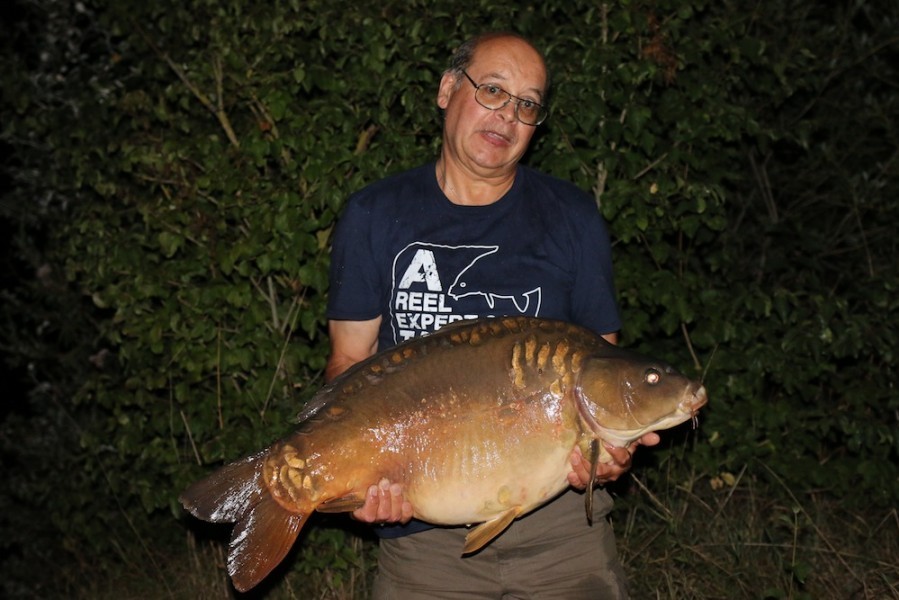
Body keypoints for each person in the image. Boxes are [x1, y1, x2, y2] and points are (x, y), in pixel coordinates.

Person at [325, 31, 658, 600]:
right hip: (422, 539)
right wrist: (358, 477)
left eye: (527, 103)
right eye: (493, 90)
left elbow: (605, 375)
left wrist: (612, 456)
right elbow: (349, 362)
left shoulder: (572, 217)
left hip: (562, 533)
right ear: (448, 89)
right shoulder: (374, 215)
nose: (508, 114)